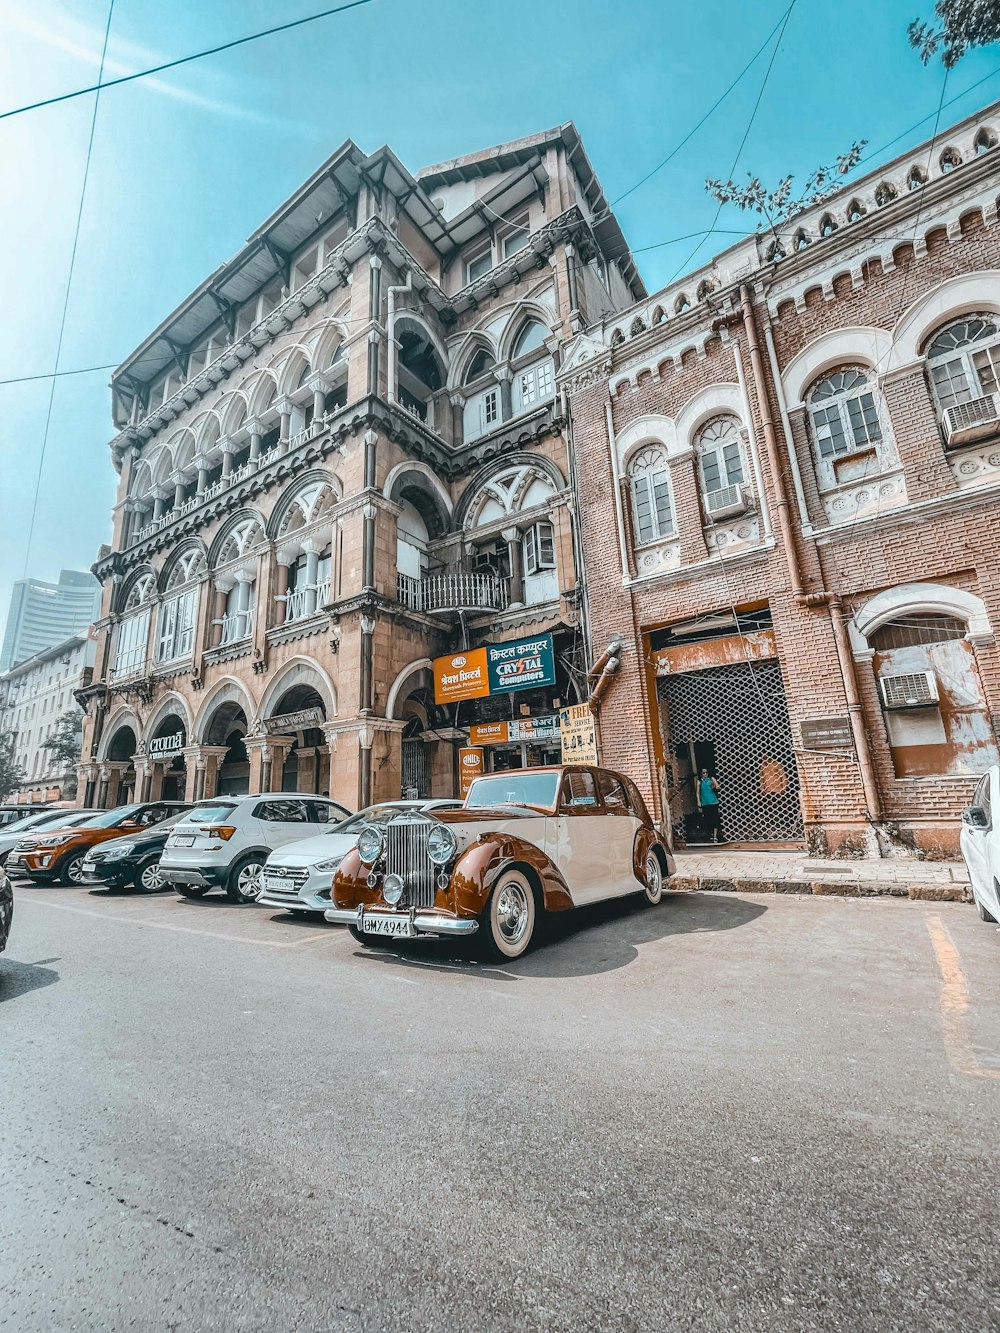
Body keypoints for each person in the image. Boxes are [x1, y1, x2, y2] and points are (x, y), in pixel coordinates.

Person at [697, 768, 723, 843]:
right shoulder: (699, 781)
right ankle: (711, 833)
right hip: (705, 802)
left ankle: (715, 836)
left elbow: (717, 786)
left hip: (713, 801)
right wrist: (698, 801)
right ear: (701, 774)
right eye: (703, 773)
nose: (705, 774)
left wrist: (715, 787)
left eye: (706, 772)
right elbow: (697, 792)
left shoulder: (711, 779)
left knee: (715, 818)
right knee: (708, 818)